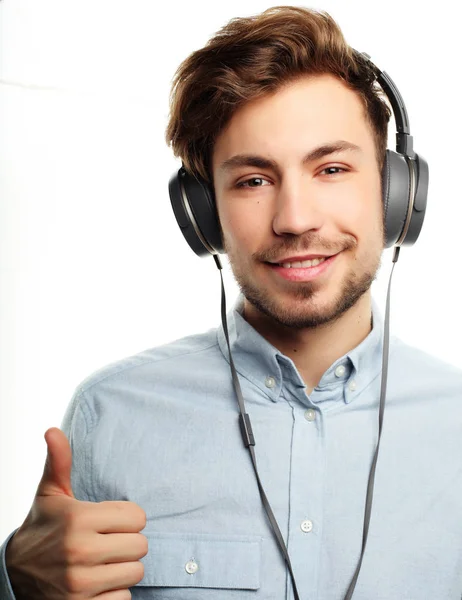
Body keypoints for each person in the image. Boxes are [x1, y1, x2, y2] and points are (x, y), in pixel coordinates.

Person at [1, 5, 461, 600]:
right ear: (203, 214)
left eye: (332, 168)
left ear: (396, 191)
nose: (295, 219)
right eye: (253, 180)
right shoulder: (109, 414)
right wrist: (15, 584)